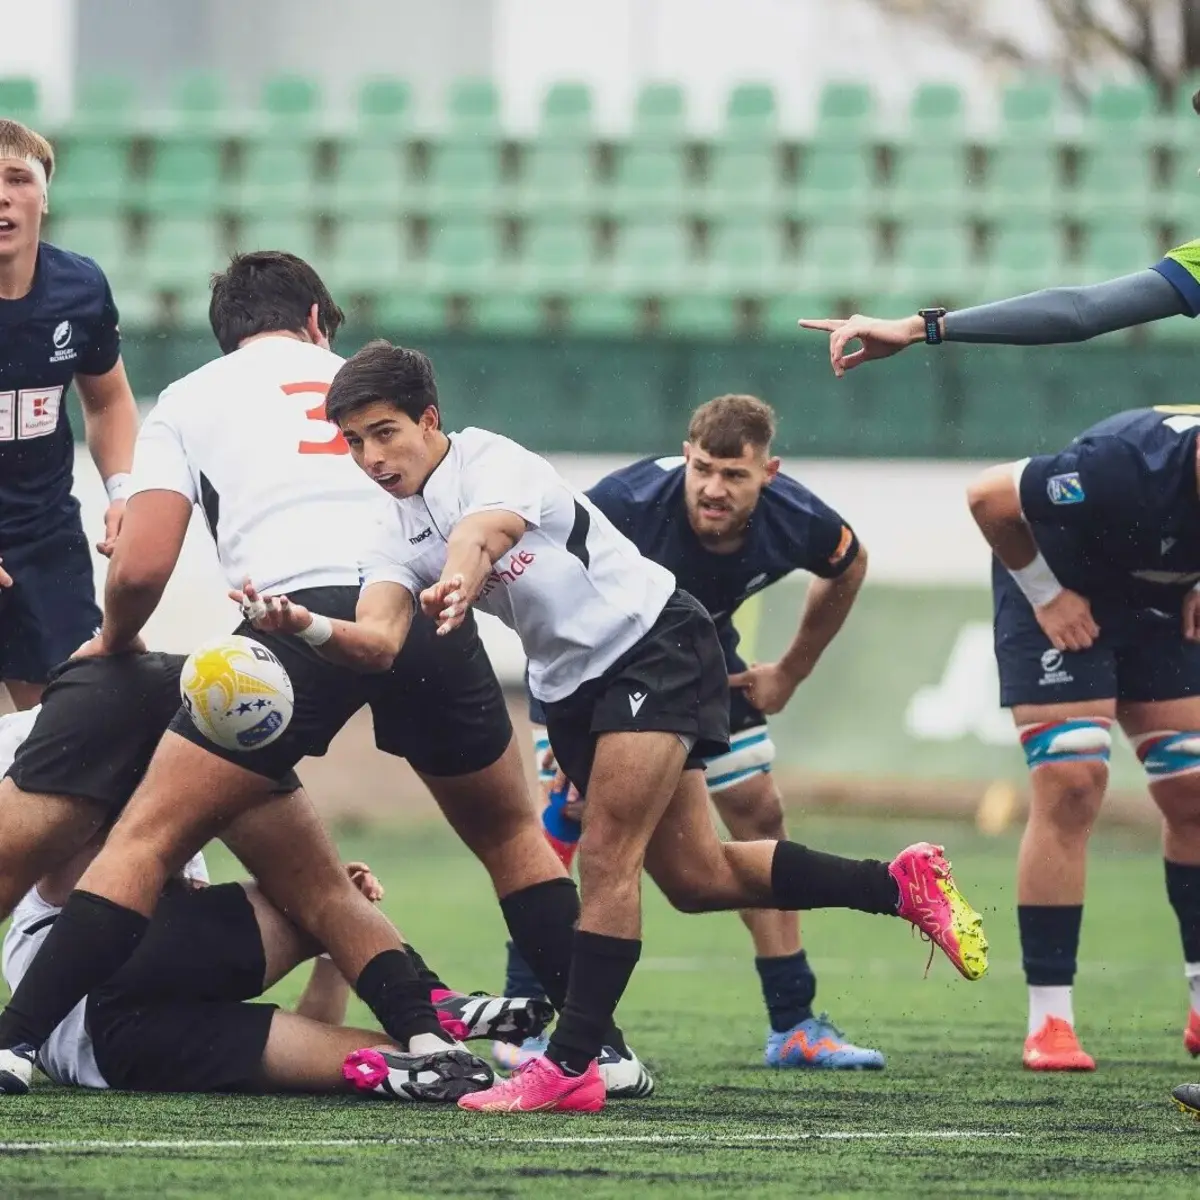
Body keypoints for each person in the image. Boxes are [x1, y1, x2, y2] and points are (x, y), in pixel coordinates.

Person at [235, 338, 990, 1114]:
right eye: (354, 441)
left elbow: (481, 537)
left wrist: (459, 581)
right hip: (570, 690)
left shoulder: (492, 462)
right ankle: (897, 885)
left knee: (604, 857)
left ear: (429, 419)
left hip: (651, 644)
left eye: (384, 432)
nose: (371, 457)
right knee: (697, 879)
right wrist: (303, 625)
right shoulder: (388, 530)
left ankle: (572, 1064)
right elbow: (378, 641)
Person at [0, 252, 642, 1100]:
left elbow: (144, 564)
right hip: (418, 607)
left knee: (146, 840)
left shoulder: (190, 397)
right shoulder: (371, 387)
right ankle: (598, 1051)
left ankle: (15, 1043)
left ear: (227, 335)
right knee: (513, 838)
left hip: (292, 625)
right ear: (316, 321)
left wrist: (114, 637)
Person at [499, 393, 883, 1073]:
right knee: (569, 819)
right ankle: (527, 1019)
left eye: (734, 475)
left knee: (759, 811)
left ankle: (795, 1022)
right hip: (590, 672)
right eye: (702, 468)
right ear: (685, 456)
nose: (713, 488)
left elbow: (848, 566)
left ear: (769, 473)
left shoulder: (797, 517)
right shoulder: (622, 504)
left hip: (699, 658)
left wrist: (792, 671)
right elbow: (543, 604)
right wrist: (563, 730)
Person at [0, 655, 551, 1099]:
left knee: (397, 1060)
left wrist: (336, 956)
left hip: (101, 1053)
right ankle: (427, 1001)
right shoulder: (68, 730)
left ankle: (417, 1053)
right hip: (85, 973)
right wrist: (338, 918)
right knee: (316, 896)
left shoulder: (112, 746)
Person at [966, 407, 1200, 1071]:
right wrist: (1045, 595)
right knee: (1072, 782)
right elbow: (987, 496)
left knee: (1194, 791)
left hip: (1159, 598)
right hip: (1058, 584)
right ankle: (1050, 1019)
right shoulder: (1120, 466)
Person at [0, 119, 139, 709]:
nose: (2, 195)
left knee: (67, 721)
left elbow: (109, 400)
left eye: (18, 179)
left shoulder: (79, 288)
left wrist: (123, 491)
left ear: (45, 197)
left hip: (45, 542)